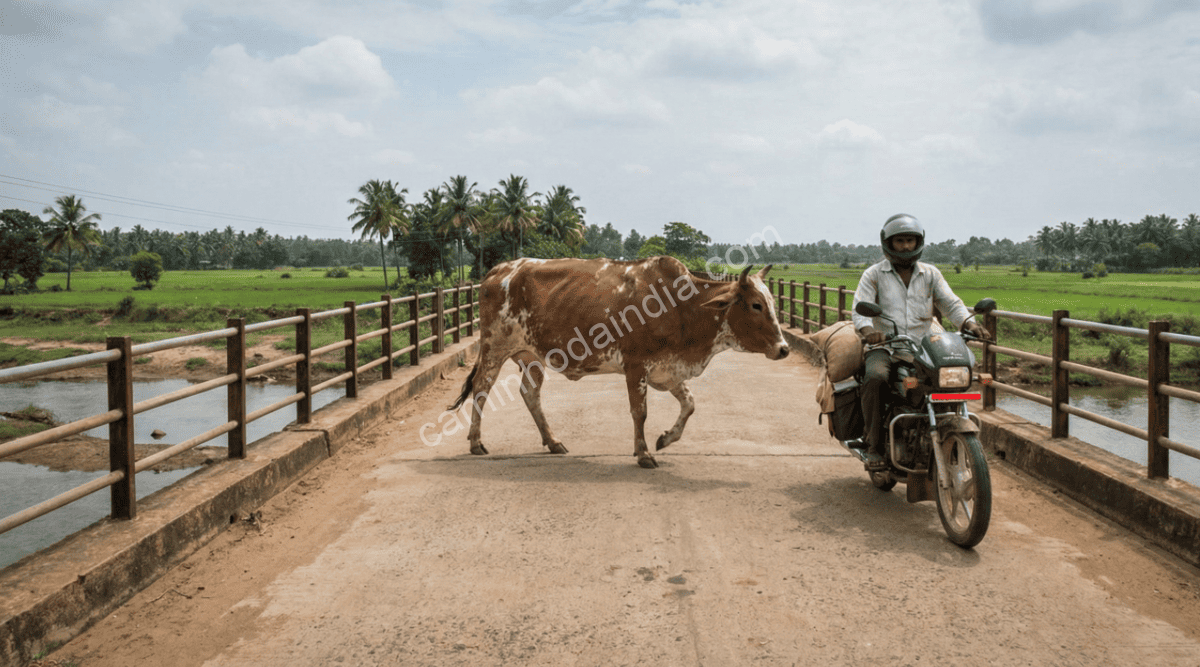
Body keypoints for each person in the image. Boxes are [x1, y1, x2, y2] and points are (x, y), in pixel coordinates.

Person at [851, 213, 987, 467]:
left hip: (925, 346)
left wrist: (970, 323)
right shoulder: (874, 274)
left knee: (946, 382)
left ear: (919, 242)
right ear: (888, 244)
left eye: (910, 241)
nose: (905, 246)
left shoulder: (930, 274)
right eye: (900, 241)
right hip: (887, 346)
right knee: (875, 378)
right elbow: (859, 309)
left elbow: (951, 303)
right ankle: (873, 445)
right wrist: (870, 332)